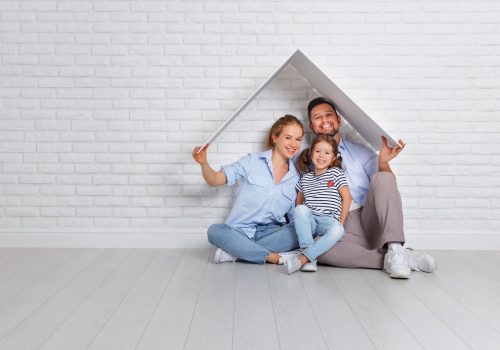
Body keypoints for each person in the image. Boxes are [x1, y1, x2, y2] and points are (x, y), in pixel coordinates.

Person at [305, 97, 437, 278]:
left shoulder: (360, 151)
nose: (324, 121)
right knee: (319, 250)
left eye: (329, 115)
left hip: (369, 218)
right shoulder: (307, 159)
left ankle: (395, 248)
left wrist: (383, 162)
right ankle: (396, 259)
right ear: (312, 126)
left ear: (338, 121)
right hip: (339, 225)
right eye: (317, 117)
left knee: (384, 176)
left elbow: (385, 185)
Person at [192, 115, 304, 264]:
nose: (294, 144)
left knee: (299, 231)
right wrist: (204, 163)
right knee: (214, 231)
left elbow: (293, 217)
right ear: (275, 137)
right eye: (288, 137)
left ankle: (236, 252)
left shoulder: (294, 178)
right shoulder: (252, 161)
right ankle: (272, 257)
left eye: (298, 139)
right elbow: (214, 180)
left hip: (271, 233)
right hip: (240, 232)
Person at [285, 134, 352, 274]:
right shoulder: (306, 178)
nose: (321, 156)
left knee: (339, 230)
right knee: (301, 209)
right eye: (317, 151)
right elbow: (299, 200)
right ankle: (309, 257)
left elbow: (347, 198)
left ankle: (304, 259)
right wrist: (300, 215)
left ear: (333, 157)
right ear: (311, 154)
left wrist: (341, 221)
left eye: (327, 153)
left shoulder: (336, 173)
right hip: (311, 221)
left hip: (328, 221)